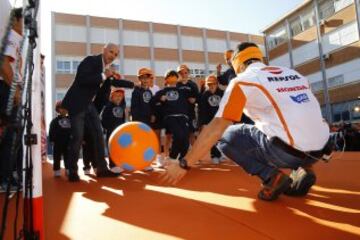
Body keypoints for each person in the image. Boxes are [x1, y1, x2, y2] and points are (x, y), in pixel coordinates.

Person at [161, 42, 333, 201]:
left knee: (224, 136)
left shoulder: (243, 81)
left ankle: (271, 176)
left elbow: (216, 129)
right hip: (320, 150)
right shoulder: (293, 74)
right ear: (259, 58)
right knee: (276, 125)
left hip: (286, 152)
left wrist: (184, 164)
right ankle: (304, 167)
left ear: (239, 66)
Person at [61, 43, 134, 182]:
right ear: (104, 50)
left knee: (98, 135)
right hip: (77, 104)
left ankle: (102, 169)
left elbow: (115, 82)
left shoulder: (105, 70)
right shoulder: (91, 61)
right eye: (111, 52)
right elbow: (82, 79)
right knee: (78, 137)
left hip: (90, 105)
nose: (113, 56)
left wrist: (133, 85)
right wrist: (103, 75)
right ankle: (71, 170)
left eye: (116, 54)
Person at [0, 7, 24, 192]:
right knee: (10, 136)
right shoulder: (13, 37)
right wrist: (15, 90)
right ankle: (5, 180)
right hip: (7, 88)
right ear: (16, 20)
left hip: (9, 87)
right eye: (22, 21)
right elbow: (4, 63)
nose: (24, 26)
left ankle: (8, 177)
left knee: (11, 136)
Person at [152, 70, 196, 161]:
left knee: (185, 139)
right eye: (170, 76)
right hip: (170, 117)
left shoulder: (183, 91)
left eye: (174, 76)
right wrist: (160, 98)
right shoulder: (162, 91)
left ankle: (182, 159)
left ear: (177, 78)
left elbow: (195, 94)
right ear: (166, 79)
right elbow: (153, 101)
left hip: (183, 117)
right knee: (178, 136)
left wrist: (188, 81)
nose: (172, 77)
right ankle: (172, 157)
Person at [198, 75, 223, 164]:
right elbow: (202, 110)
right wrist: (203, 123)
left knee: (221, 138)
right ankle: (214, 155)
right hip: (210, 121)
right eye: (209, 84)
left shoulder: (222, 93)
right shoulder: (205, 95)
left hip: (221, 120)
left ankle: (219, 154)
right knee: (212, 138)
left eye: (213, 84)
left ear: (217, 84)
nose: (211, 86)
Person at [101, 88, 127, 173]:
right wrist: (107, 127)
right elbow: (103, 119)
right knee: (112, 148)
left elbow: (123, 119)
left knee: (119, 148)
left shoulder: (121, 107)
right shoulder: (108, 106)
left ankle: (118, 163)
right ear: (111, 97)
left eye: (120, 96)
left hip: (119, 131)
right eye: (116, 96)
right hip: (111, 131)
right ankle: (112, 165)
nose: (118, 98)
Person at [176, 64, 200, 145]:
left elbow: (198, 98)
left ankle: (194, 153)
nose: (183, 75)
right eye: (181, 73)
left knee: (191, 133)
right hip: (178, 113)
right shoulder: (175, 85)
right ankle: (182, 153)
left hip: (190, 113)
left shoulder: (192, 85)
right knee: (179, 134)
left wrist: (195, 100)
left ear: (188, 73)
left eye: (185, 73)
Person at [49, 101, 71, 177]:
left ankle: (68, 169)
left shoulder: (71, 120)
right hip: (58, 142)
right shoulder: (54, 121)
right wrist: (51, 140)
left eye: (65, 108)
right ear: (58, 109)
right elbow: (51, 131)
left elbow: (73, 130)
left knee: (68, 156)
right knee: (56, 156)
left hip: (68, 142)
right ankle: (57, 170)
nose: (64, 110)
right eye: (61, 108)